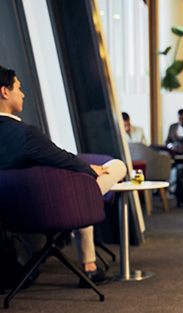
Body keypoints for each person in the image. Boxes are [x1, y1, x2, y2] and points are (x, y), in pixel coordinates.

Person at [0, 66, 127, 287]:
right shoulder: (26, 134)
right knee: (116, 167)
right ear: (4, 92)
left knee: (83, 189)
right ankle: (89, 267)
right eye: (18, 89)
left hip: (12, 211)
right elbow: (62, 159)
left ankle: (90, 265)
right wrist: (91, 170)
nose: (22, 94)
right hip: (49, 206)